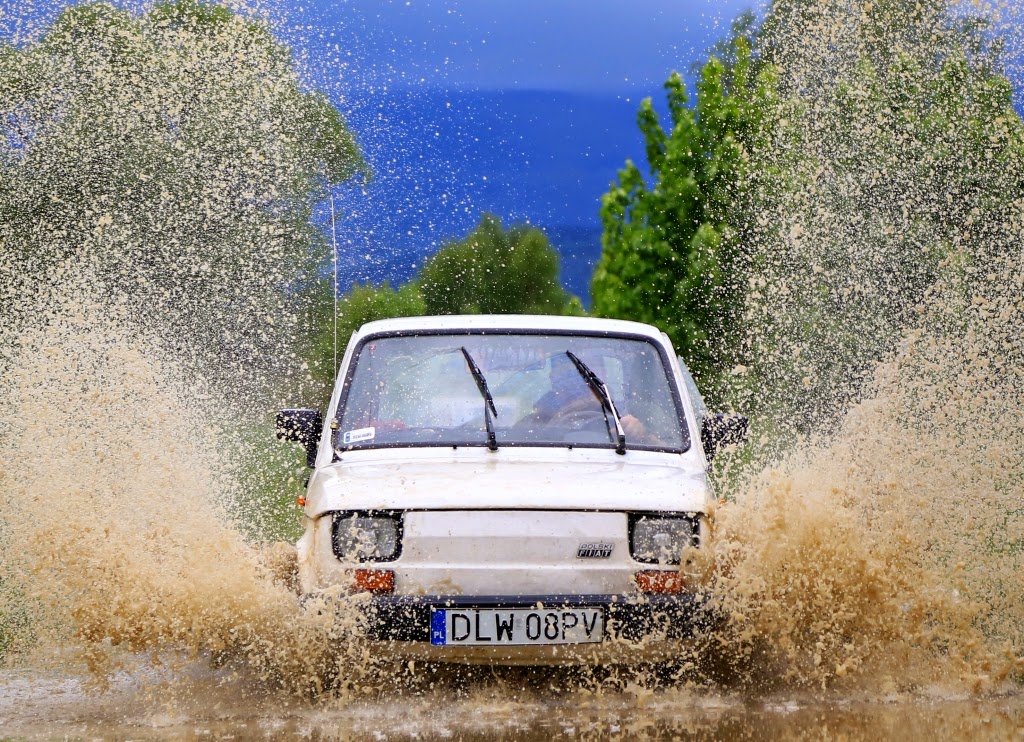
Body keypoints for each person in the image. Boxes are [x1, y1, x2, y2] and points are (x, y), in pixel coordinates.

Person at [516, 353, 654, 442]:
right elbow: (509, 451)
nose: (580, 381)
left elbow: (670, 450)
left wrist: (639, 431)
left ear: (603, 375)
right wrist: (551, 427)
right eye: (567, 373)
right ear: (553, 380)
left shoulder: (632, 412)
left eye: (590, 373)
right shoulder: (534, 421)